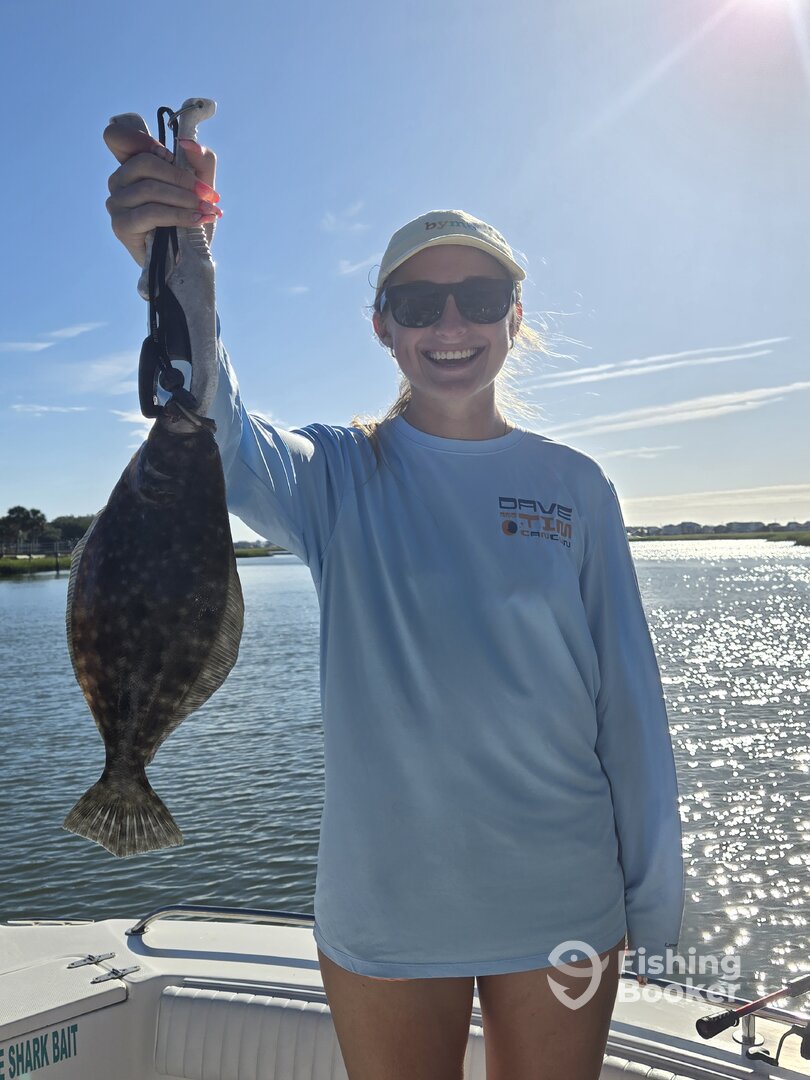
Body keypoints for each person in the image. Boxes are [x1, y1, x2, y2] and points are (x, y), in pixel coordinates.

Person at [104, 122, 684, 1080]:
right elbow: (214, 423)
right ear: (382, 326)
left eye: (479, 299)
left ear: (514, 317)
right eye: (417, 304)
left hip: (563, 898)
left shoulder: (577, 487)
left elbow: (630, 712)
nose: (450, 325)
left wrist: (654, 909)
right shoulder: (334, 476)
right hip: (387, 902)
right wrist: (181, 257)